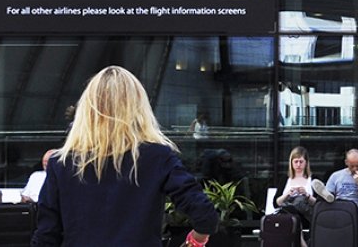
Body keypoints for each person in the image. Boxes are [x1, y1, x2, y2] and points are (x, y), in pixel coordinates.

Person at [31, 65, 220, 247]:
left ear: (87, 110)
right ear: (138, 107)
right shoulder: (157, 157)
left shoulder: (61, 163)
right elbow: (205, 216)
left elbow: (46, 236)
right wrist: (195, 241)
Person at [276, 146, 333, 228]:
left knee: (300, 202)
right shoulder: (285, 179)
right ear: (291, 163)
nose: (298, 165)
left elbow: (319, 204)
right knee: (291, 208)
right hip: (288, 218)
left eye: (301, 162)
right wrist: (287, 194)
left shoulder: (314, 179)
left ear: (306, 162)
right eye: (296, 162)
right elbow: (276, 203)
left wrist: (307, 195)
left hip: (306, 218)